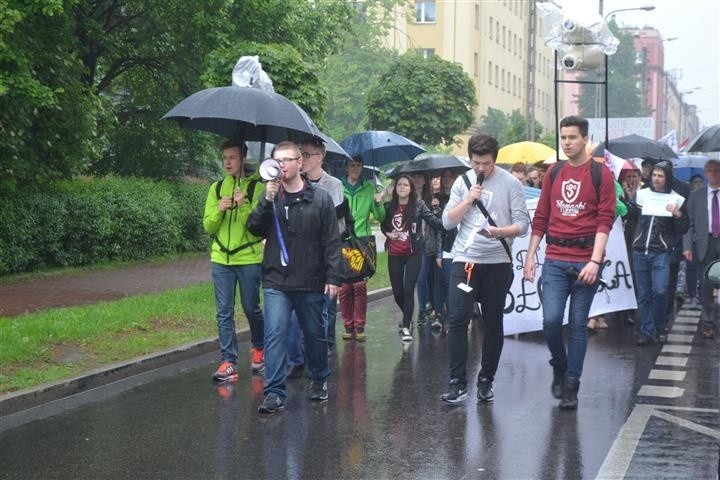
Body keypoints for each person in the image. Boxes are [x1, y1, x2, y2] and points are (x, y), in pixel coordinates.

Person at [523, 116, 616, 410]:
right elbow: (541, 217)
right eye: (563, 137)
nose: (566, 142)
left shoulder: (601, 174)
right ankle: (559, 365)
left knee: (577, 324)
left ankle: (572, 384)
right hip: (554, 259)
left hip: (585, 262)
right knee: (550, 322)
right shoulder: (553, 172)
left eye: (572, 137)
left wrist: (594, 261)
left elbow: (605, 221)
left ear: (585, 139)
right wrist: (530, 256)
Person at [247, 141, 341, 414]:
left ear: (300, 163)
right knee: (275, 332)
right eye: (278, 161)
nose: (283, 165)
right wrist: (266, 200)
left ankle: (319, 378)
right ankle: (274, 392)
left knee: (314, 334)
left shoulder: (320, 198)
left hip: (311, 280)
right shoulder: (271, 197)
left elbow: (332, 242)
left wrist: (333, 277)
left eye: (288, 160)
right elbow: (253, 229)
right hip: (277, 280)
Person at [439, 134, 529, 405]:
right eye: (476, 162)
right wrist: (467, 200)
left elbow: (523, 224)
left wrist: (500, 231)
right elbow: (447, 222)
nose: (481, 168)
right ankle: (457, 382)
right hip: (465, 261)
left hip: (497, 263)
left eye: (486, 163)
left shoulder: (510, 183)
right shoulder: (462, 182)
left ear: (495, 160)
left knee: (493, 323)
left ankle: (486, 380)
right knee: (457, 318)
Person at [203, 139, 265, 382]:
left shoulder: (256, 188)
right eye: (225, 158)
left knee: (251, 307)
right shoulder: (216, 188)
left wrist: (243, 206)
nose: (227, 162)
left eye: (232, 157)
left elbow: (258, 229)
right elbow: (208, 227)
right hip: (221, 258)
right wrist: (219, 209)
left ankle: (259, 347)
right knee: (224, 312)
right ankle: (228, 361)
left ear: (243, 159)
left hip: (248, 258)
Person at [284, 137, 346, 379]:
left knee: (323, 311)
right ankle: (297, 359)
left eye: (308, 155)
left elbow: (336, 227)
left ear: (321, 157)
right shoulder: (293, 183)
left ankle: (321, 352)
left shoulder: (333, 185)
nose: (303, 159)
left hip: (325, 257)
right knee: (295, 314)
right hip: (299, 259)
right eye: (301, 154)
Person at [627, 161, 688, 346]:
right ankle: (647, 331)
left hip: (660, 253)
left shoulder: (676, 198)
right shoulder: (642, 195)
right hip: (640, 251)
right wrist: (630, 201)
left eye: (661, 176)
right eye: (654, 175)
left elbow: (683, 228)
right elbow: (631, 216)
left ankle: (660, 325)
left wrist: (678, 215)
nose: (656, 178)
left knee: (660, 291)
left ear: (667, 178)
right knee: (644, 294)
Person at [381, 174, 443, 342]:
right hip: (394, 253)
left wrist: (443, 216)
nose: (402, 187)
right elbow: (383, 224)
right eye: (399, 184)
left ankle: (406, 326)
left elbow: (434, 222)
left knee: (409, 289)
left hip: (413, 253)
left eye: (406, 185)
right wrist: (387, 233)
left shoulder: (418, 205)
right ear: (395, 188)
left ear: (411, 189)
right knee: (397, 292)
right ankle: (407, 314)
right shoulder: (388, 207)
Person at [339, 155, 386, 341]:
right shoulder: (338, 187)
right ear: (346, 167)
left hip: (362, 243)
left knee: (359, 285)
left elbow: (380, 217)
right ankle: (347, 326)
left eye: (358, 165)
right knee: (344, 287)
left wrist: (377, 202)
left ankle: (359, 325)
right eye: (352, 165)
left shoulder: (369, 188)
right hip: (342, 241)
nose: (355, 168)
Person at [683, 159, 720, 339]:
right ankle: (708, 322)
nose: (713, 174)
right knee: (706, 284)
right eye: (710, 171)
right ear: (705, 174)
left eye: (717, 171)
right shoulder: (697, 195)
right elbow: (689, 224)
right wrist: (687, 246)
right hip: (706, 244)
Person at [435, 168, 460, 331]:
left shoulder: (464, 198)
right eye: (445, 176)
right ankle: (448, 318)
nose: (448, 180)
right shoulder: (437, 200)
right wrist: (438, 252)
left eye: (451, 176)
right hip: (447, 248)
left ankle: (462, 314)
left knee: (461, 284)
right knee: (447, 283)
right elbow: (439, 228)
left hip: (464, 248)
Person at [684, 174, 706, 310]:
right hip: (691, 241)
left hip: (706, 241)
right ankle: (693, 297)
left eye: (700, 182)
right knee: (691, 270)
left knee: (705, 270)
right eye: (696, 182)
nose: (699, 184)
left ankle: (704, 297)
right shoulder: (688, 200)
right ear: (691, 185)